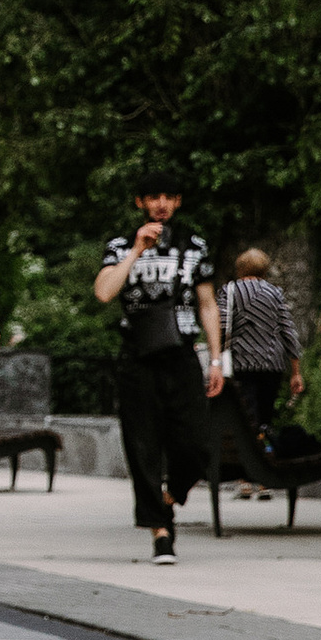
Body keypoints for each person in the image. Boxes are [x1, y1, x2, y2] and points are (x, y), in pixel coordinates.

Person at [93, 184, 225, 561]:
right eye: (153, 197)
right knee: (143, 446)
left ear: (179, 201)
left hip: (181, 354)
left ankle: (166, 500)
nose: (161, 204)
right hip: (137, 358)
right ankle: (160, 532)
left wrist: (215, 360)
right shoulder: (120, 245)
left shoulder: (193, 245)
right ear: (140, 202)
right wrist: (136, 250)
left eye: (168, 197)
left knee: (197, 444)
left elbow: (208, 305)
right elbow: (104, 292)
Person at [222, 250, 305, 494]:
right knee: (264, 421)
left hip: (243, 365)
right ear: (265, 271)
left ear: (240, 269)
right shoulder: (275, 293)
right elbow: (288, 332)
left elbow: (221, 327)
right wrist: (296, 371)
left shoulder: (230, 291)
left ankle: (248, 475)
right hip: (272, 365)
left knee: (246, 421)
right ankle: (265, 474)